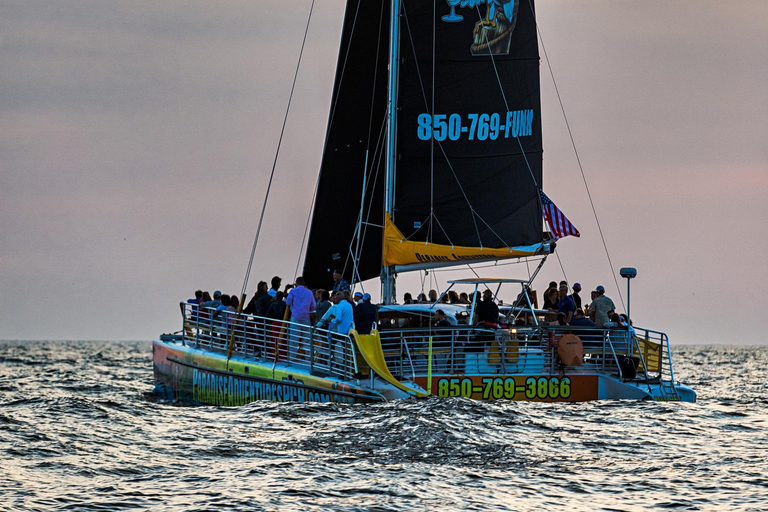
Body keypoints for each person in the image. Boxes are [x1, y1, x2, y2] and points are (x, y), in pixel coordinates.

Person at [285, 276, 316, 360]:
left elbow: (288, 302)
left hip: (295, 318)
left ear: (296, 283)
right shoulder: (309, 292)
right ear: (304, 283)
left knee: (293, 340)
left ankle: (291, 359)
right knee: (307, 341)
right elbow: (313, 306)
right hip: (306, 318)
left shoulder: (293, 291)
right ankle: (308, 359)